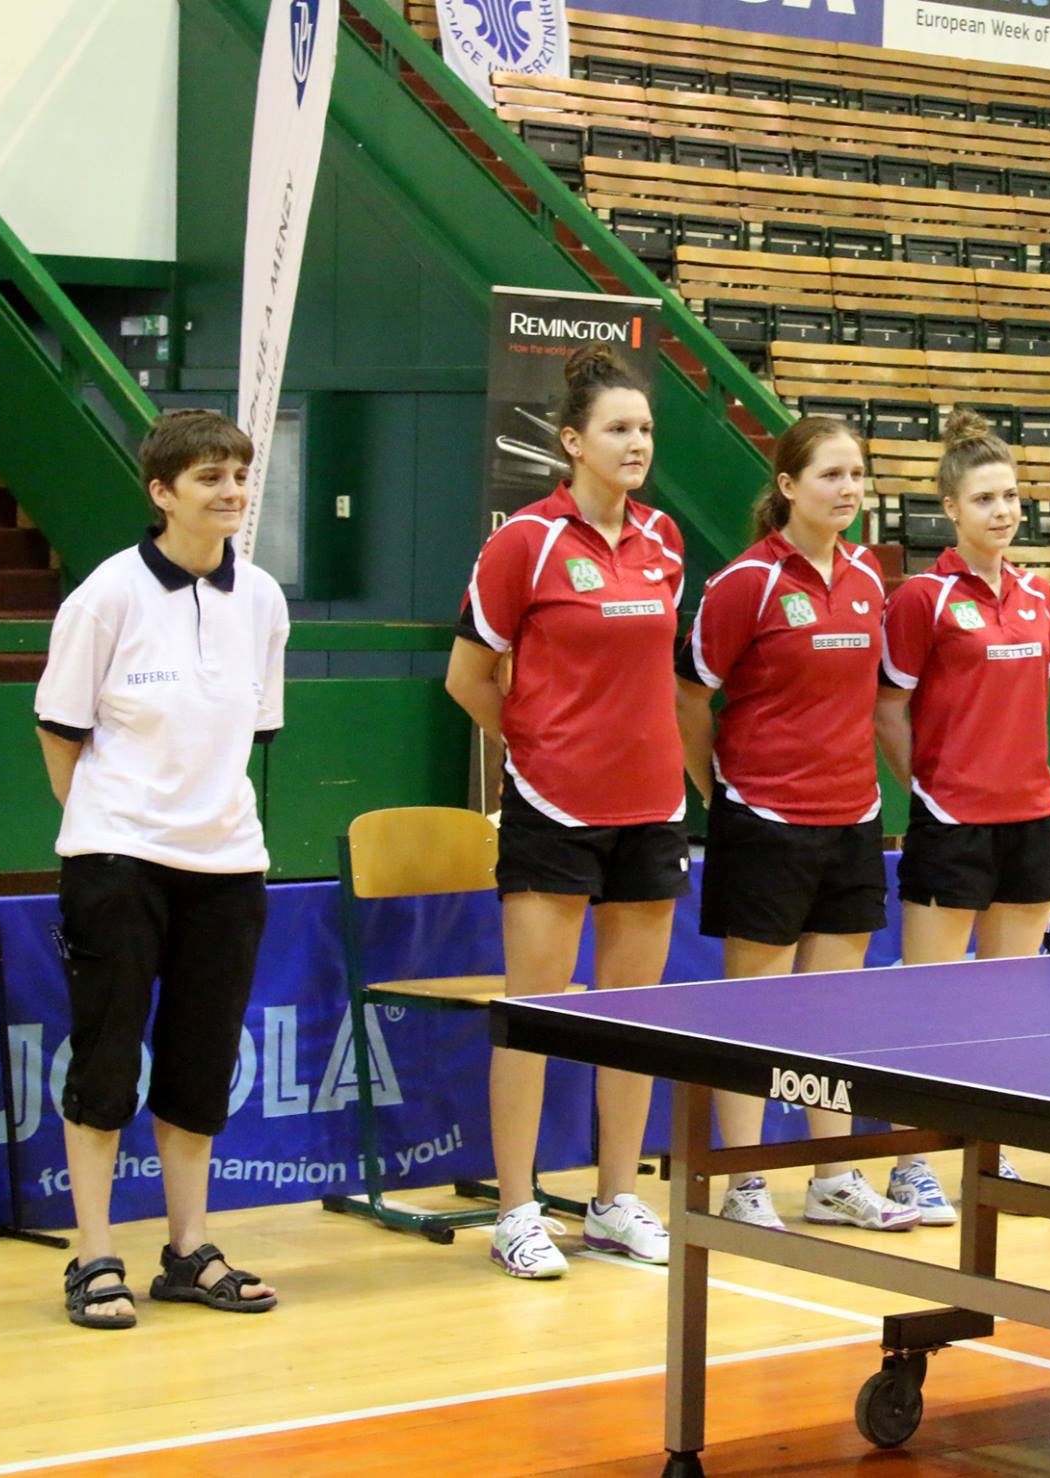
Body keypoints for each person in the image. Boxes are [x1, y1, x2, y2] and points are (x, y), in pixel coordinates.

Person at [34, 409, 287, 1327]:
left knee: (200, 1064)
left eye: (239, 475)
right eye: (210, 477)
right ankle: (94, 1254)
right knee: (105, 1066)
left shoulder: (263, 599)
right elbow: (60, 731)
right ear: (161, 492)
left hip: (228, 866)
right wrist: (107, 830)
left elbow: (255, 731)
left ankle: (188, 1251)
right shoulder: (105, 596)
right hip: (117, 863)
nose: (232, 492)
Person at [447, 346, 688, 1278]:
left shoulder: (665, 541)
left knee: (632, 1019)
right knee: (535, 1015)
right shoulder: (526, 543)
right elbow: (468, 676)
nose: (637, 443)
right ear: (572, 442)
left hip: (652, 806)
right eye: (618, 428)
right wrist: (536, 744)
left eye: (645, 429)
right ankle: (516, 1209)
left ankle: (615, 1201)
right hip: (553, 809)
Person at [676, 417, 921, 1234]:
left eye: (857, 475)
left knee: (832, 1012)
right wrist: (719, 791)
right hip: (765, 819)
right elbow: (689, 696)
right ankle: (743, 1182)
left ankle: (833, 1177)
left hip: (852, 817)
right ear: (787, 486)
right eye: (830, 475)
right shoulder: (744, 583)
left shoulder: (868, 576)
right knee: (755, 1010)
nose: (849, 490)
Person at [875, 409, 1050, 1223]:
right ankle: (911, 1162)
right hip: (951, 824)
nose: (1003, 510)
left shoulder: (1039, 595)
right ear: (951, 508)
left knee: (1007, 1007)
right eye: (985, 498)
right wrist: (933, 787)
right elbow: (889, 709)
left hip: (1032, 818)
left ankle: (988, 1150)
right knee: (932, 1003)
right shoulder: (923, 598)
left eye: (1011, 496)